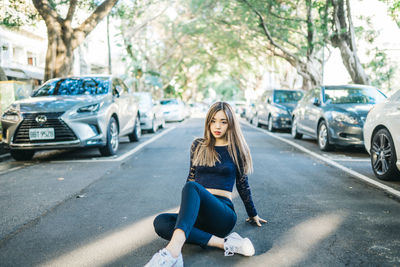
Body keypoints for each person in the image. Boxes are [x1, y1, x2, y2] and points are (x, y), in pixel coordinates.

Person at [145, 101, 266, 267]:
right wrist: (182, 210)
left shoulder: (237, 149)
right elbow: (191, 177)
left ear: (230, 124)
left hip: (222, 215)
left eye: (223, 122)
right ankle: (225, 244)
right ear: (208, 122)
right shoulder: (198, 145)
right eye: (213, 121)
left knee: (192, 187)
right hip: (198, 214)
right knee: (160, 222)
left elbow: (243, 185)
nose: (217, 126)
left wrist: (253, 213)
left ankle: (172, 253)